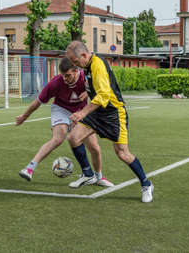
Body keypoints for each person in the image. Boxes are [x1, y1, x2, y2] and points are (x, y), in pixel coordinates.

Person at [65, 41, 154, 203]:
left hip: (114, 113)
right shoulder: (88, 65)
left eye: (76, 62)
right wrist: (87, 91)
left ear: (84, 55)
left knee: (122, 153)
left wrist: (82, 112)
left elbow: (104, 96)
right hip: (99, 111)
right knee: (73, 137)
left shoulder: (97, 65)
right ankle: (88, 174)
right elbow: (98, 86)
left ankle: (146, 184)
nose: (75, 65)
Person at [16, 57, 114, 187]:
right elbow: (37, 102)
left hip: (80, 111)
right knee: (58, 137)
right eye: (63, 76)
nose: (65, 79)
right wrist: (24, 116)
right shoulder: (55, 83)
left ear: (76, 71)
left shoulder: (86, 77)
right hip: (61, 109)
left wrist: (88, 92)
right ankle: (29, 168)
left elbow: (103, 89)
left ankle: (98, 177)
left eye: (67, 75)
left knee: (94, 148)